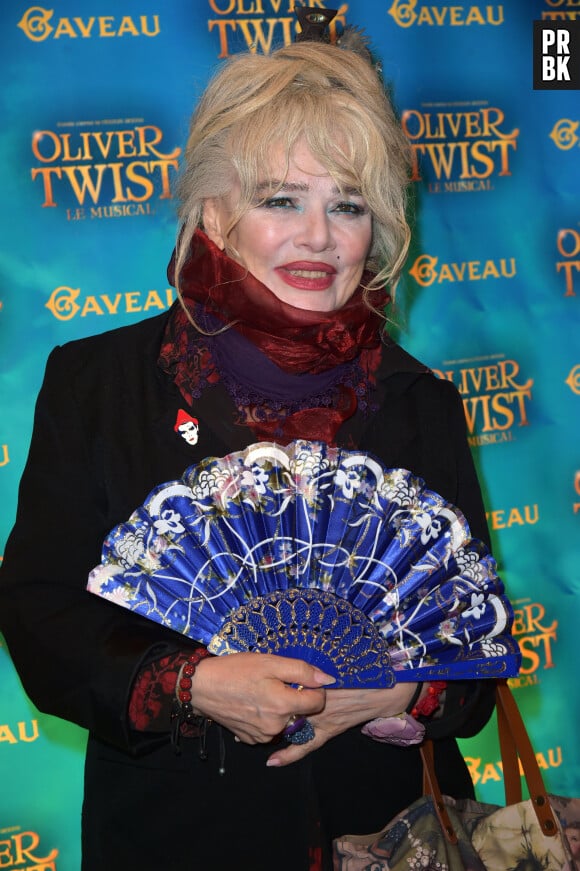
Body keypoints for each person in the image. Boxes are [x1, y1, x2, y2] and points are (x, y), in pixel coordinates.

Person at [0, 19, 497, 871]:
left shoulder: (423, 403)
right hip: (177, 833)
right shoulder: (100, 381)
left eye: (348, 205)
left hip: (394, 833)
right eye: (281, 199)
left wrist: (409, 688)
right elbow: (41, 617)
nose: (319, 237)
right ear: (214, 212)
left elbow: (478, 657)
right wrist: (192, 683)